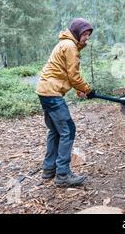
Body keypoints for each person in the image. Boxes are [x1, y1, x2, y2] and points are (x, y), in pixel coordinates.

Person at [36, 18, 94, 187]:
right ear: (77, 32)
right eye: (85, 34)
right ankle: (62, 174)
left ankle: (49, 170)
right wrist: (87, 89)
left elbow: (66, 73)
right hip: (52, 93)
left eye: (88, 35)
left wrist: (79, 88)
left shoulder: (66, 44)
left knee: (55, 130)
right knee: (68, 129)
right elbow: (74, 76)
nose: (87, 38)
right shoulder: (70, 47)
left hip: (44, 90)